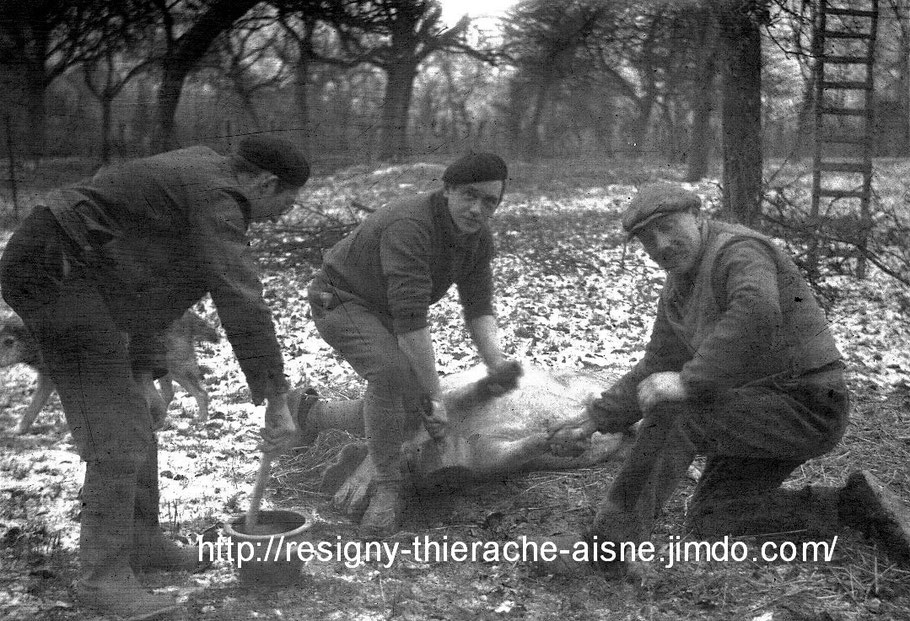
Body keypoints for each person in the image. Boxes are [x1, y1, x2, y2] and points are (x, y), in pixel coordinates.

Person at [0, 135, 309, 618]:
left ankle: (141, 542)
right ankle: (102, 578)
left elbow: (147, 286)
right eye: (290, 200)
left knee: (137, 410)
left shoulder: (206, 183)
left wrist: (144, 371)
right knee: (117, 434)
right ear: (268, 183)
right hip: (52, 271)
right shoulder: (216, 199)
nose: (289, 211)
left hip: (90, 275)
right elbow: (240, 297)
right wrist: (277, 398)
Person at [546, 183, 852, 575]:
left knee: (677, 412)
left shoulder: (738, 251)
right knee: (713, 518)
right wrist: (595, 419)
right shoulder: (678, 286)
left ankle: (608, 550)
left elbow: (757, 314)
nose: (661, 244)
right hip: (760, 408)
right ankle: (848, 507)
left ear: (697, 215)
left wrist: (689, 383)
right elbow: (656, 365)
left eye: (669, 226)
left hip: (808, 405)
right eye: (647, 239)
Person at [306, 152, 519, 538]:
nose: (477, 209)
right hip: (341, 298)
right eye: (469, 196)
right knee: (391, 374)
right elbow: (411, 325)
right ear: (448, 190)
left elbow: (479, 307)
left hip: (383, 306)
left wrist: (496, 362)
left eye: (490, 202)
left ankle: (312, 416)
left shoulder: (477, 238)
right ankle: (387, 486)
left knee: (407, 402)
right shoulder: (411, 225)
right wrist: (434, 395)